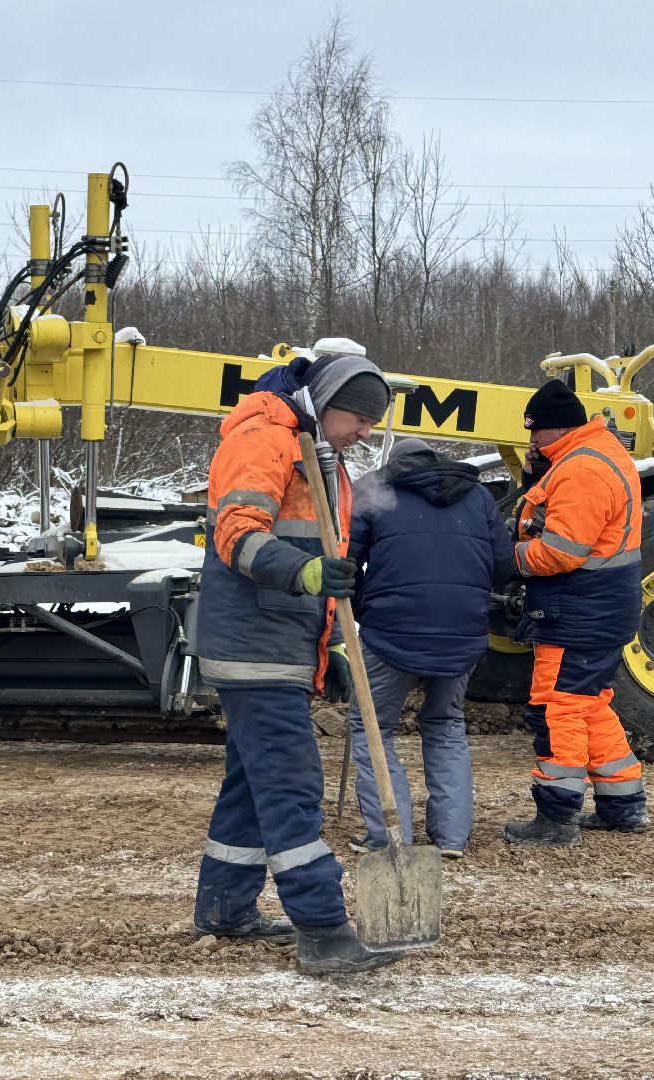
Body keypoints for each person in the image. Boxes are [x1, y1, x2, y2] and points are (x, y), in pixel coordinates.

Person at [193, 340, 399, 976]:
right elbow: (238, 536)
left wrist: (332, 644)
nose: (366, 431)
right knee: (290, 786)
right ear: (331, 402)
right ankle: (323, 929)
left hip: (281, 645)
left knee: (252, 788)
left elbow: (323, 559)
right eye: (360, 417)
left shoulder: (321, 453)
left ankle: (226, 908)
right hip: (255, 648)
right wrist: (309, 576)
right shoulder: (264, 439)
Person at [343, 438, 513, 860]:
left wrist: (367, 604)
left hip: (391, 631)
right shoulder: (476, 495)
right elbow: (505, 565)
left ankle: (389, 837)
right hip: (463, 632)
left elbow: (345, 560)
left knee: (372, 727)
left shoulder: (374, 489)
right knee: (445, 723)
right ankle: (452, 838)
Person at [503, 379, 649, 846]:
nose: (531, 442)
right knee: (590, 703)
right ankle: (623, 806)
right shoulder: (589, 455)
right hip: (602, 607)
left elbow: (561, 552)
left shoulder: (582, 468)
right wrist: (532, 482)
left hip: (579, 608)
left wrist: (509, 560)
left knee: (558, 708)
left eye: (536, 434)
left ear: (558, 428)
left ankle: (556, 816)